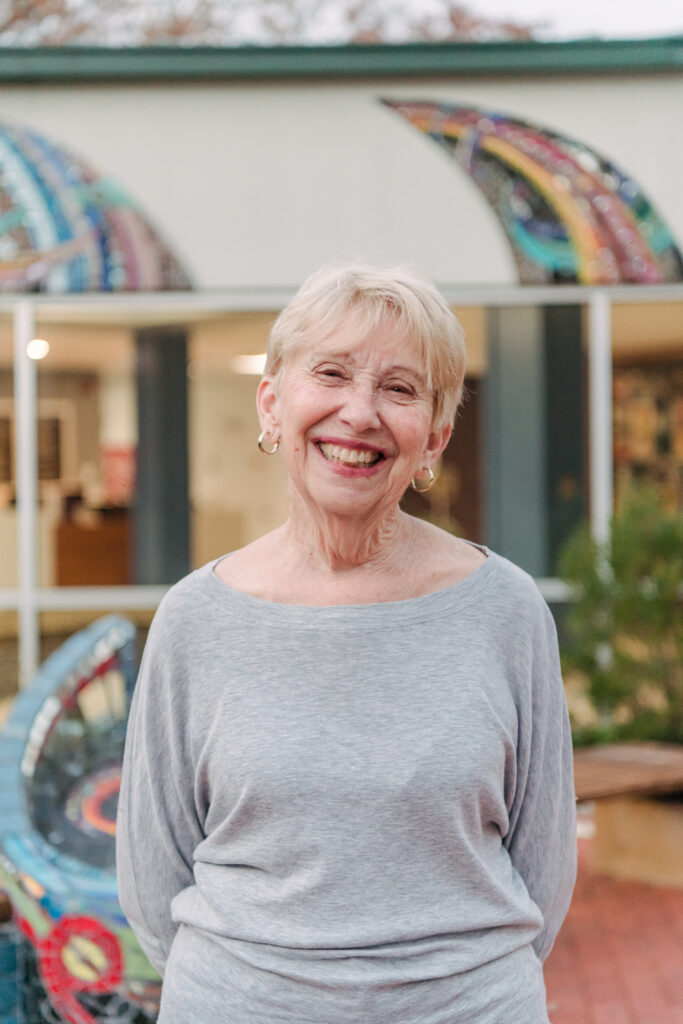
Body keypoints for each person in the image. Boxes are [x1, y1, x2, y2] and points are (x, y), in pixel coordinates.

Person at [116, 263, 576, 1024]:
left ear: (434, 435)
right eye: (329, 373)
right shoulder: (195, 618)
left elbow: (545, 862)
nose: (358, 413)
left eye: (398, 389)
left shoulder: (505, 609)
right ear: (272, 403)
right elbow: (151, 873)